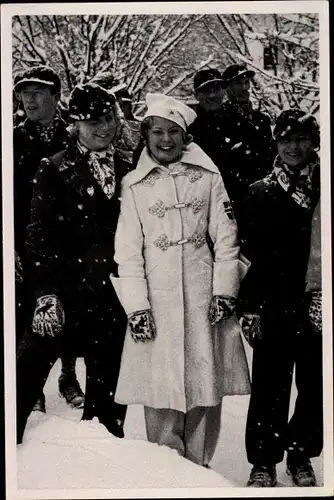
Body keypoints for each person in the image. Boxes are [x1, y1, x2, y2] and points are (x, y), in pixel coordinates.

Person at [110, 93, 251, 467]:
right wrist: (137, 306)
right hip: (157, 297)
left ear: (186, 136)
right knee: (160, 385)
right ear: (146, 134)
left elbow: (226, 238)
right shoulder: (134, 185)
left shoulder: (207, 178)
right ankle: (166, 468)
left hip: (205, 294)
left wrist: (225, 291)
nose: (166, 140)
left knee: (205, 380)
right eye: (158, 131)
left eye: (174, 131)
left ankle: (200, 466)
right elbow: (127, 251)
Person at [16, 82, 131, 445]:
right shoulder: (53, 169)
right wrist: (45, 295)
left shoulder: (129, 168)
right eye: (93, 121)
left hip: (112, 298)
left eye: (109, 118)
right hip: (63, 296)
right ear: (75, 125)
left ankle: (102, 468)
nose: (103, 128)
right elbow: (39, 238)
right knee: (24, 379)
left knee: (107, 405)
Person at [238, 109, 322, 487]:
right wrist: (249, 307)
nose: (293, 146)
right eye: (286, 139)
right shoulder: (259, 192)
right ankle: (263, 460)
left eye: (301, 138)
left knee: (315, 383)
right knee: (270, 385)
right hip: (273, 304)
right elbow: (247, 257)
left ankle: (301, 454)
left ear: (313, 141)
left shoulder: (326, 185)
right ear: (275, 143)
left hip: (316, 303)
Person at [13, 65, 84, 411]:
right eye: (25, 92)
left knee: (67, 308)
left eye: (38, 91)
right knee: (26, 311)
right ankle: (32, 389)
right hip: (22, 241)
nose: (29, 98)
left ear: (56, 97)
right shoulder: (11, 138)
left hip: (66, 242)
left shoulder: (73, 139)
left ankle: (69, 376)